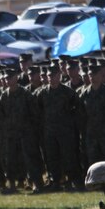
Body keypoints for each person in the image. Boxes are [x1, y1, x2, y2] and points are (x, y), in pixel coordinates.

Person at [36, 63, 83, 191]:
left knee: (69, 156)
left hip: (66, 131)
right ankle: (55, 181)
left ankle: (73, 180)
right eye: (49, 76)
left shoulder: (68, 93)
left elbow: (77, 110)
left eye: (53, 75)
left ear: (59, 76)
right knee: (52, 157)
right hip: (50, 131)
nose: (51, 78)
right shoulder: (42, 93)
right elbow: (38, 111)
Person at [0, 68, 44, 194]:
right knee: (11, 159)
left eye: (10, 78)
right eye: (6, 78)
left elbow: (34, 113)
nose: (8, 81)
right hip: (11, 133)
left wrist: (32, 130)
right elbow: (1, 114)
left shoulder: (25, 94)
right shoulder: (4, 95)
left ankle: (36, 183)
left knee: (30, 158)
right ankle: (12, 184)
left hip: (25, 132)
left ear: (16, 78)